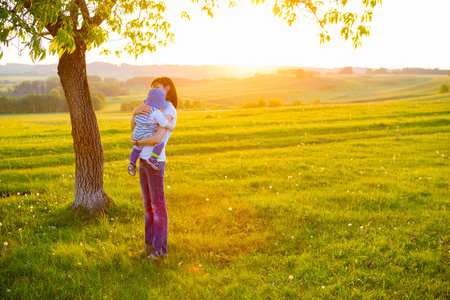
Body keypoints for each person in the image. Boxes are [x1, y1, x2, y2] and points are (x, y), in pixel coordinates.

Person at [130, 77, 178, 260]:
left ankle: (160, 251)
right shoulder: (151, 107)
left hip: (155, 163)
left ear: (167, 89)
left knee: (158, 207)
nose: (153, 92)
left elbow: (158, 137)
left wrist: (136, 142)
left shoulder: (169, 110)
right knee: (148, 206)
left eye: (157, 88)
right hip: (143, 161)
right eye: (152, 88)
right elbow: (134, 128)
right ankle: (149, 246)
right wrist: (134, 113)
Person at [128, 88, 174, 176]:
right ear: (160, 104)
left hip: (137, 133)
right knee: (160, 143)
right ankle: (153, 159)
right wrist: (170, 127)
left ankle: (132, 163)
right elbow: (163, 122)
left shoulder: (142, 110)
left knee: (136, 149)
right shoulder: (156, 112)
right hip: (146, 134)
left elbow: (135, 122)